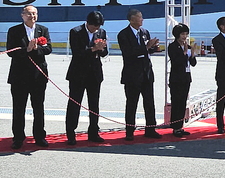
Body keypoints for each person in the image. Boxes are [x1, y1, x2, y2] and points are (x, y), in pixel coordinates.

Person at [6, 5, 52, 149]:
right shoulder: (14, 31)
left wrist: (37, 49)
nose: (32, 16)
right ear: (22, 15)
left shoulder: (42, 30)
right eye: (29, 14)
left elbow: (49, 49)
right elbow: (10, 51)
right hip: (19, 76)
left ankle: (39, 136)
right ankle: (18, 137)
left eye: (34, 14)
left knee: (38, 107)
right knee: (19, 108)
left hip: (38, 76)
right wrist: (27, 50)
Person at [65, 10, 108, 145]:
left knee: (94, 104)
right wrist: (93, 49)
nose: (97, 29)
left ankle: (94, 131)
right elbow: (77, 52)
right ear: (88, 23)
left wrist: (101, 49)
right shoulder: (76, 31)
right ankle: (71, 133)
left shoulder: (101, 32)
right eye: (95, 26)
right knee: (74, 103)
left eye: (99, 26)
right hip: (78, 73)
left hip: (94, 73)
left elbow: (104, 52)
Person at [117, 8, 161, 140]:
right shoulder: (123, 34)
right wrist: (146, 48)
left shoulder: (144, 32)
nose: (142, 19)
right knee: (132, 103)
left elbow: (146, 51)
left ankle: (151, 128)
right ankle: (130, 131)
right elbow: (129, 53)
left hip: (146, 72)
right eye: (139, 17)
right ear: (132, 19)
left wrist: (153, 47)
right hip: (132, 74)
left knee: (149, 102)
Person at [168, 23, 197, 137]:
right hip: (176, 78)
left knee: (183, 102)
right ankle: (175, 127)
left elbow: (193, 64)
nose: (184, 36)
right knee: (176, 102)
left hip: (186, 78)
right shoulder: (173, 46)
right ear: (177, 35)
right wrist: (184, 53)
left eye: (186, 34)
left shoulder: (188, 46)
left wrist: (192, 54)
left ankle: (180, 126)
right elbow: (176, 62)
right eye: (182, 34)